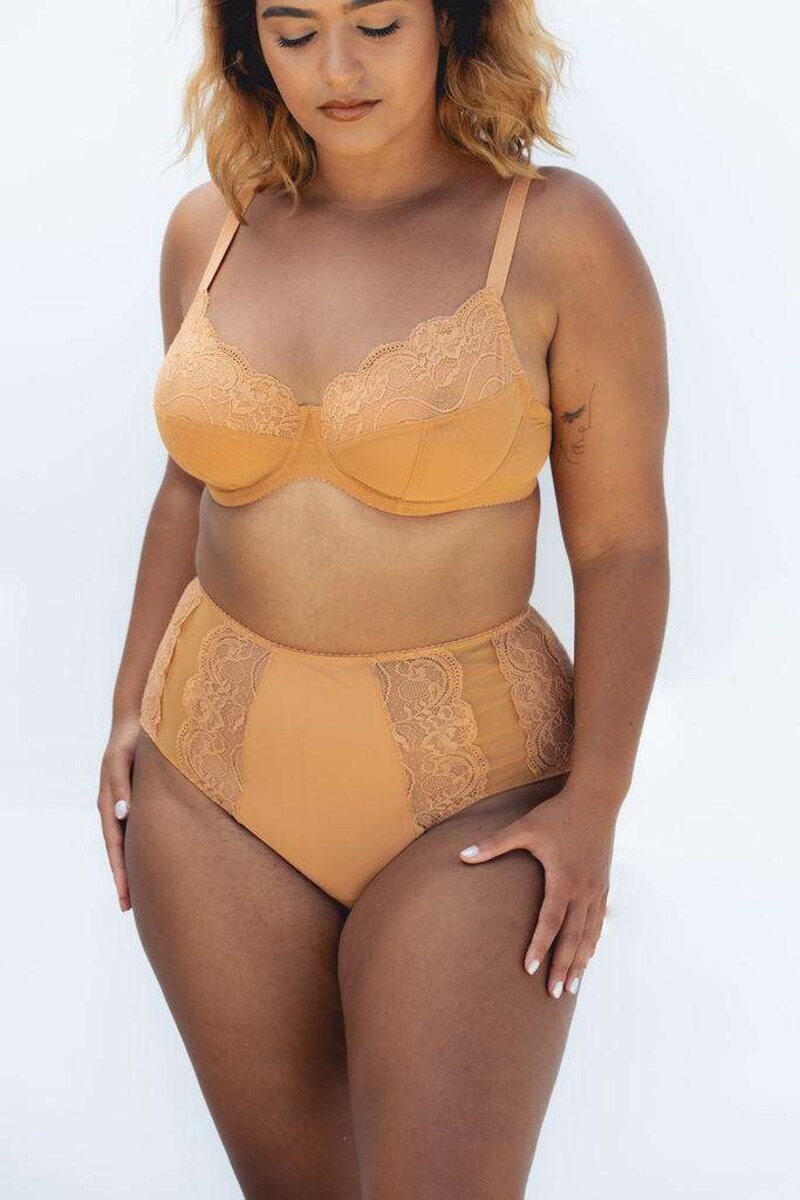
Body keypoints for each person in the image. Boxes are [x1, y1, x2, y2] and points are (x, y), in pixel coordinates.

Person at [97, 0, 669, 1194]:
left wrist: (595, 804)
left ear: (448, 22)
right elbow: (186, 489)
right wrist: (125, 711)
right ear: (247, 42)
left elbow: (620, 547)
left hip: (476, 795)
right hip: (210, 777)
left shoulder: (555, 236)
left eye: (375, 23)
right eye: (293, 31)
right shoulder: (209, 229)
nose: (336, 68)